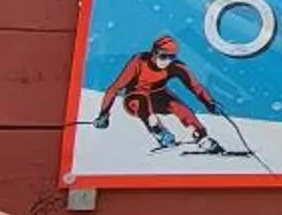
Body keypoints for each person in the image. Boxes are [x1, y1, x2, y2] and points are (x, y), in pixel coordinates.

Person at [95, 35, 225, 153]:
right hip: (135, 98)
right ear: (154, 53)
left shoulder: (175, 66)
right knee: (142, 101)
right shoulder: (139, 61)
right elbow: (115, 88)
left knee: (179, 106)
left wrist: (209, 102)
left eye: (171, 57)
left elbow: (195, 86)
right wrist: (103, 114)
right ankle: (160, 132)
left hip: (158, 96)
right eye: (163, 56)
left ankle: (202, 137)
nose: (167, 61)